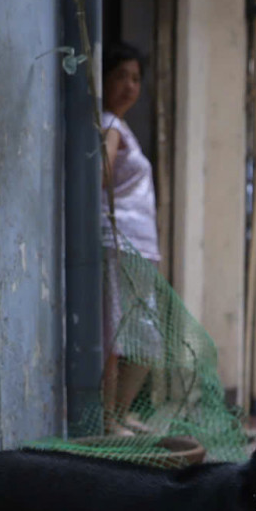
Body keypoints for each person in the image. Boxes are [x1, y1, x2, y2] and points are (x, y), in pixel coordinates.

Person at [100, 42, 163, 433]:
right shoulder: (108, 123)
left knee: (146, 338)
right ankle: (109, 419)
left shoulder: (122, 127)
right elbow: (103, 174)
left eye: (136, 78)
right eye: (121, 75)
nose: (129, 85)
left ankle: (119, 414)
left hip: (138, 247)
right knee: (117, 334)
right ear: (104, 78)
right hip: (119, 243)